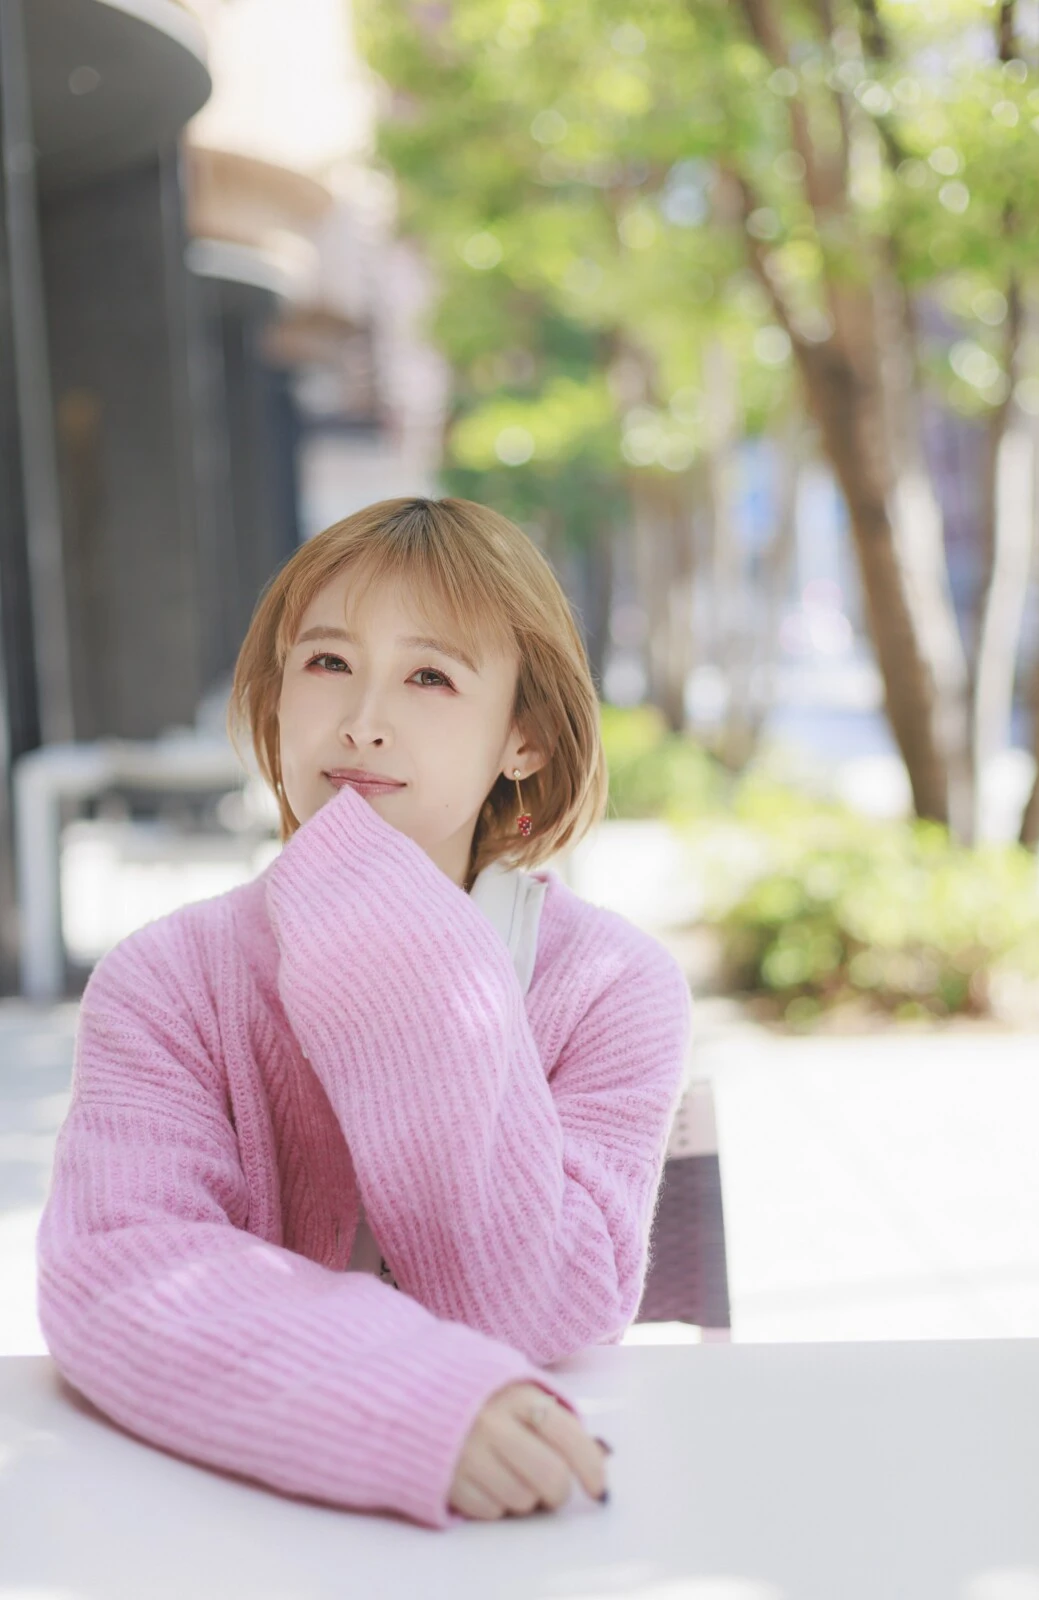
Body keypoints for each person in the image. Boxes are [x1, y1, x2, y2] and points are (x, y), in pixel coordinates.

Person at [35, 496, 693, 1529]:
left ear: (523, 737)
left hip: (523, 1540)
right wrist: (404, 1402)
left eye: (431, 676)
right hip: (226, 1526)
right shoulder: (165, 980)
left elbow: (539, 1305)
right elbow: (118, 1269)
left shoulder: (611, 987)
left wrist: (401, 947)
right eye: (327, 662)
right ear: (276, 697)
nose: (362, 719)